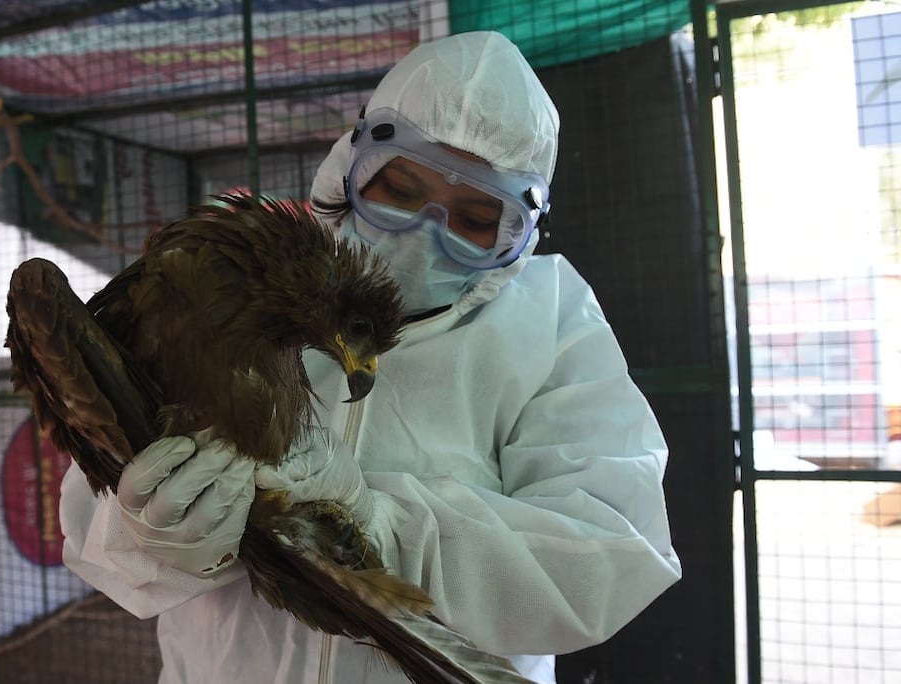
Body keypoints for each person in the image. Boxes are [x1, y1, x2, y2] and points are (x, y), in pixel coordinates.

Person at [59, 30, 682, 684]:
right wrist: (147, 537)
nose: (425, 233)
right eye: (401, 191)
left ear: (517, 238)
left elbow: (606, 556)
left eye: (475, 219)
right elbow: (94, 530)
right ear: (351, 168)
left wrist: (377, 528)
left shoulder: (553, 324)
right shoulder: (226, 291)